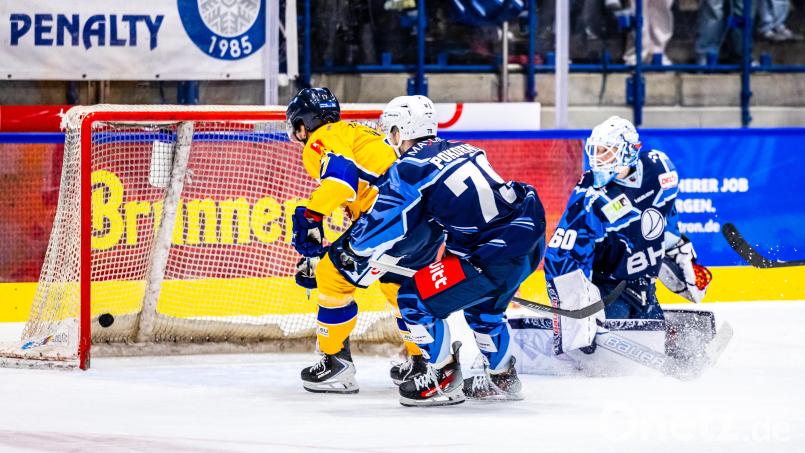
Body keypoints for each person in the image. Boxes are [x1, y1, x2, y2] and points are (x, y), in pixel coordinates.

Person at [334, 95, 547, 406]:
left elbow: (386, 221)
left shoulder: (410, 167)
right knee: (484, 311)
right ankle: (503, 378)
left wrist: (352, 248)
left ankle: (444, 377)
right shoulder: (464, 149)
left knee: (410, 299)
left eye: (390, 131)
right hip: (526, 241)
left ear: (400, 130)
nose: (388, 138)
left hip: (490, 256)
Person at [286, 87, 441, 394]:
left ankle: (335, 364)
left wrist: (310, 215)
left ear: (302, 125)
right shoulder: (360, 133)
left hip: (388, 217)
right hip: (423, 221)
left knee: (331, 277)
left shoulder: (322, 137)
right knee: (399, 287)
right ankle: (424, 363)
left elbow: (341, 184)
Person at [543, 116, 712, 356]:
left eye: (607, 152)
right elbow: (560, 256)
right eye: (596, 151)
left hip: (645, 289)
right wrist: (579, 314)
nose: (598, 159)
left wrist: (679, 251)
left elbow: (667, 215)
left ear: (630, 151)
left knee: (661, 361)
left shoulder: (659, 169)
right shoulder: (590, 196)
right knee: (609, 366)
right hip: (608, 294)